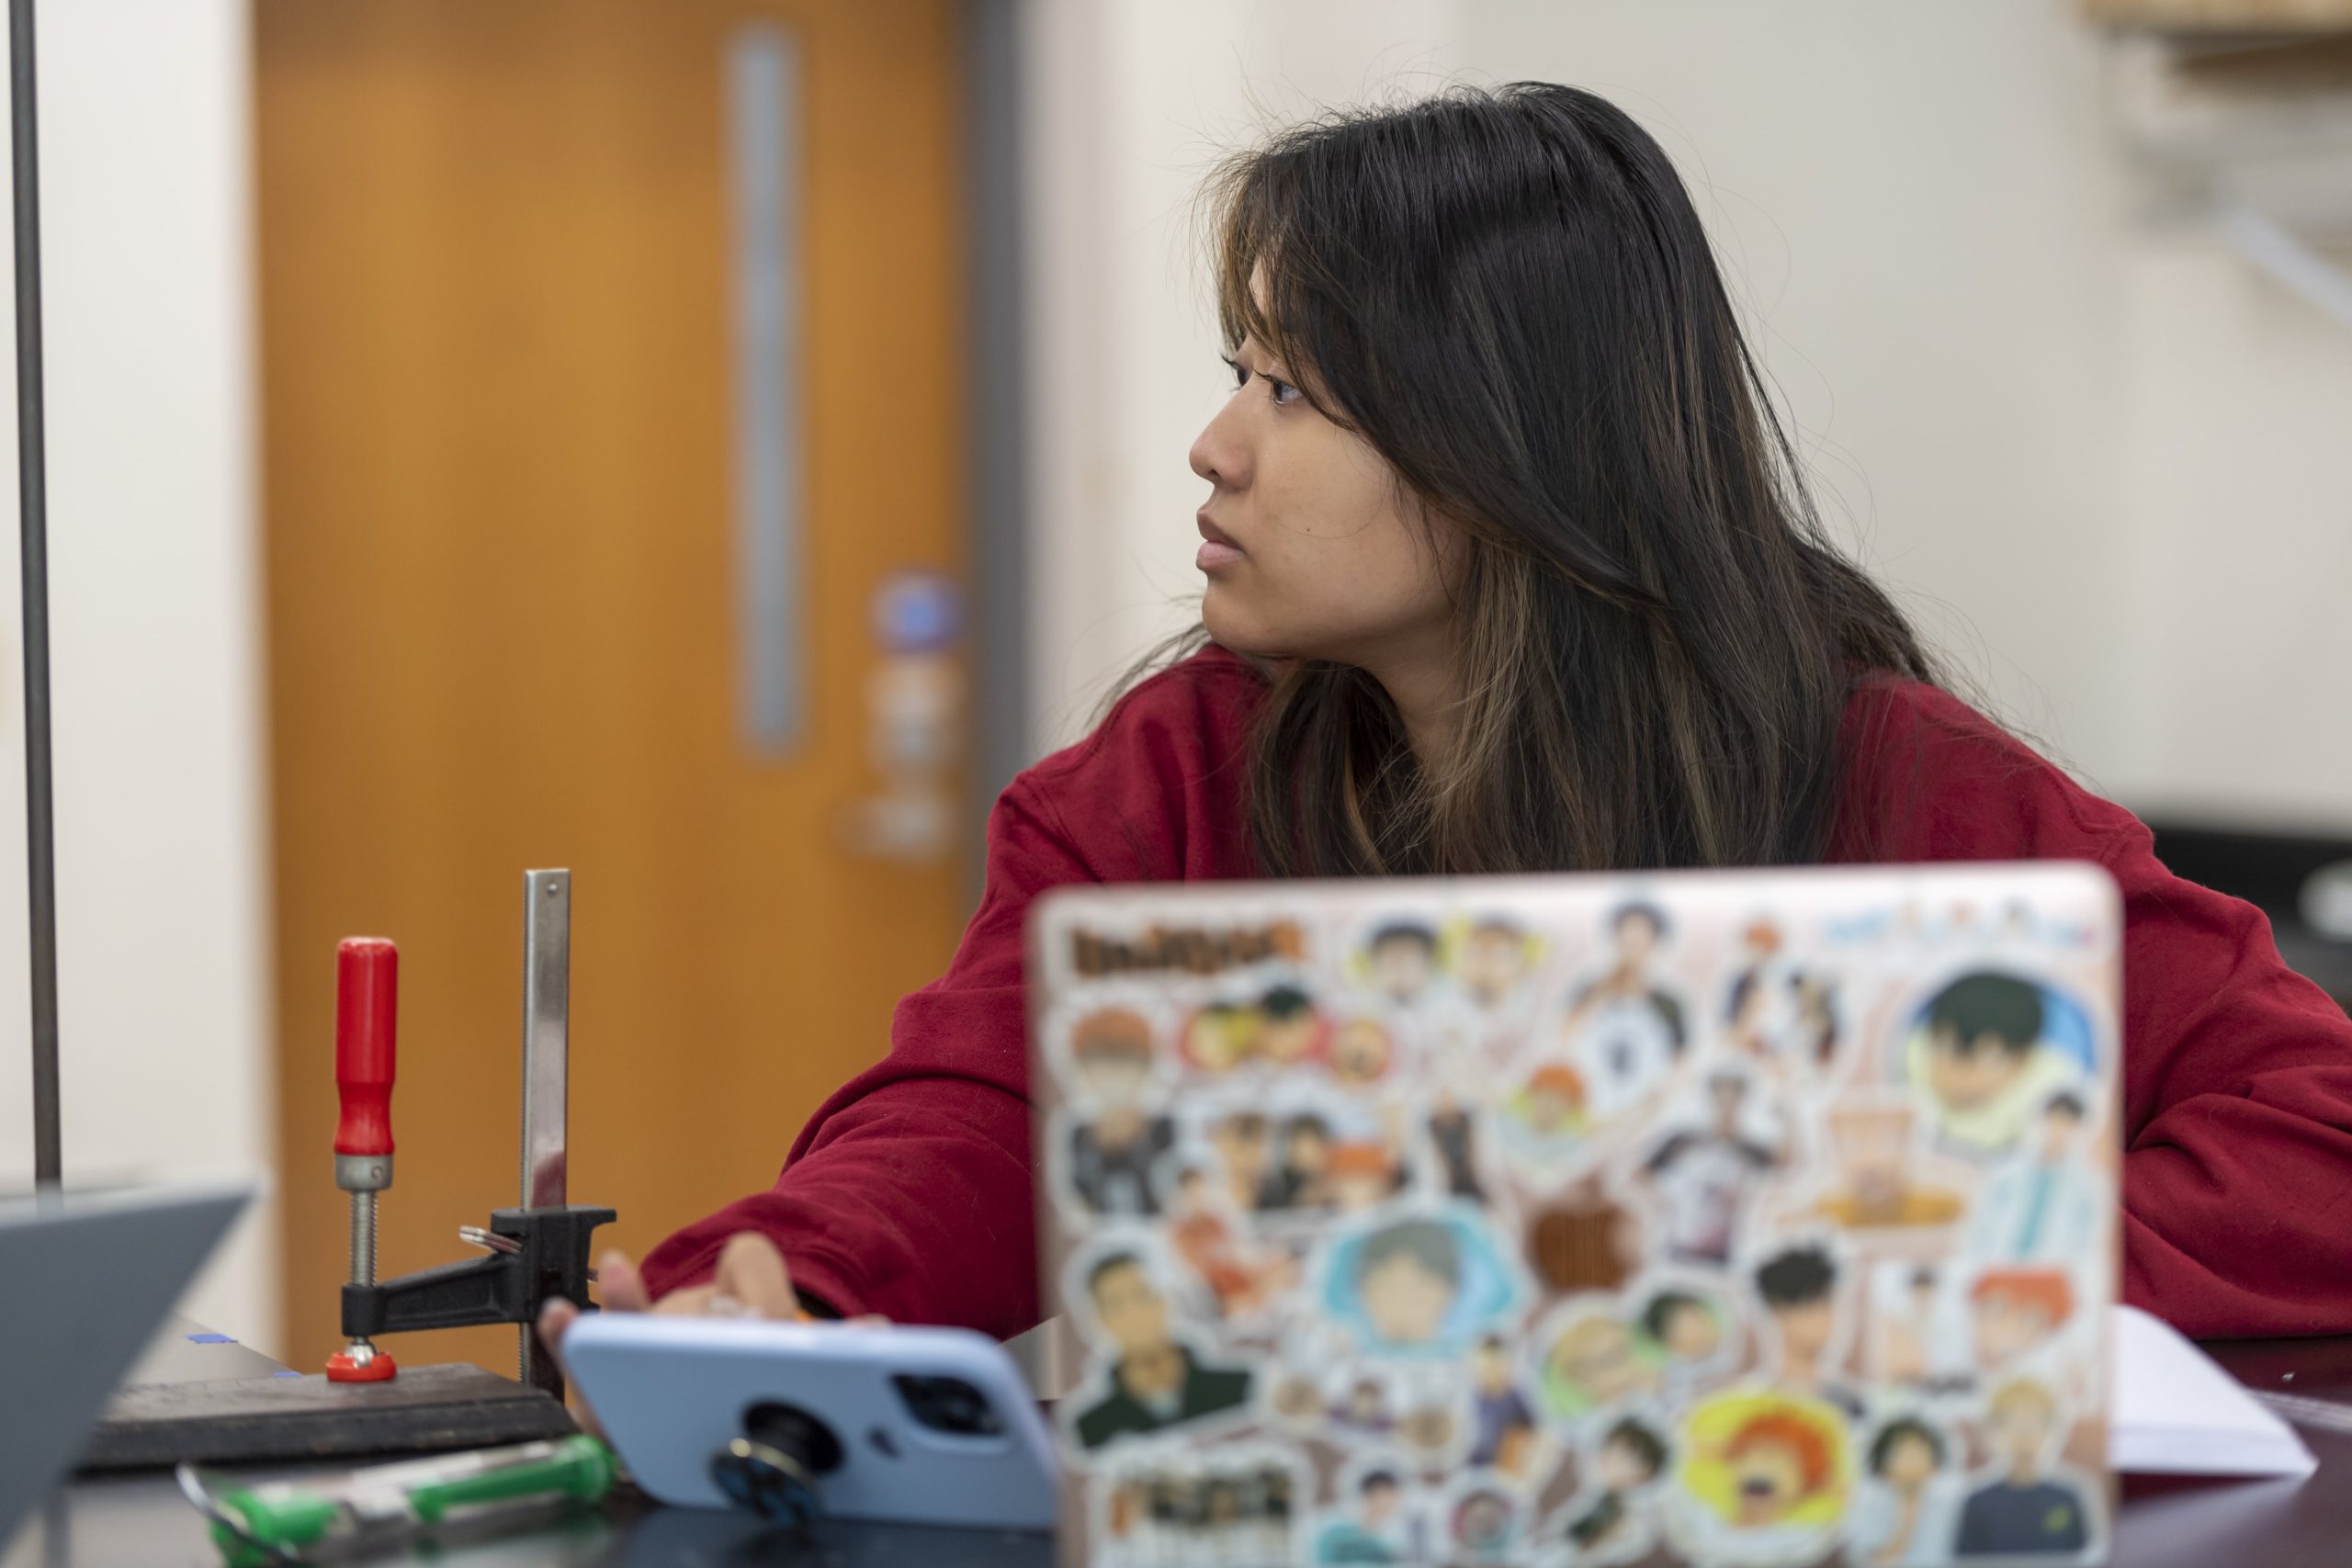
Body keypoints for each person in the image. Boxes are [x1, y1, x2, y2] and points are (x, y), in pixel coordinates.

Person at [537, 83, 2352, 1367]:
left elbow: (2313, 1133)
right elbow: (989, 1105)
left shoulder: (1894, 781)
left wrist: (1879, 1267)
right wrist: (779, 1287)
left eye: (1291, 388)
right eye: (1232, 374)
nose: (1214, 444)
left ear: (1505, 453)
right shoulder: (1166, 775)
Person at [1068, 1252, 1253, 1450]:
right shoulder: (1092, 1429)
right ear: (1100, 1321)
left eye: (1142, 1295)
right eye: (1115, 1304)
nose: (1134, 1314)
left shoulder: (1238, 1388)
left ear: (1166, 1300)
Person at [1641, 1072, 1780, 1266]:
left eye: (1732, 1101)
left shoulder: (1749, 1149)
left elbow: (1787, 1170)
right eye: (1720, 1100)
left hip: (1722, 1254)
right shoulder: (1683, 1141)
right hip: (1680, 1246)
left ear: (1742, 1103)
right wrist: (1663, 1205)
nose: (1725, 1108)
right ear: (1710, 1100)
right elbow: (1642, 1173)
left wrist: (1786, 1116)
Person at [1955, 1380, 2091, 1557]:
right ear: (1996, 1428)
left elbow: (2082, 1558)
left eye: (2034, 1419)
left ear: (2051, 1426)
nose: (2024, 1430)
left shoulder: (2068, 1497)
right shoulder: (1977, 1502)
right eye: (2013, 1420)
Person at [1963, 1092, 2103, 1264]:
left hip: (2048, 1273)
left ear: (2078, 1129)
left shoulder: (2084, 1185)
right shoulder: (2008, 1173)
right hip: (1998, 1264)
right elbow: (1982, 1223)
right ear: (2043, 1120)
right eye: (2054, 1120)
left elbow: (2082, 1239)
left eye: (2067, 1124)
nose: (2058, 1129)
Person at [1465, 1334, 1537, 1474]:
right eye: (1483, 1367)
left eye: (1494, 1365)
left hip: (1505, 1473)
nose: (1488, 1372)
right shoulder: (1469, 1401)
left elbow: (1529, 1441)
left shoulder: (1518, 1401)